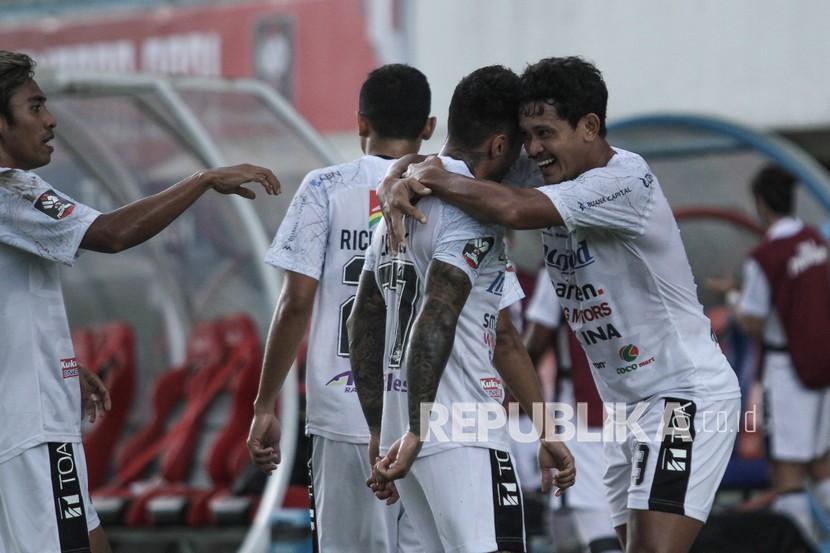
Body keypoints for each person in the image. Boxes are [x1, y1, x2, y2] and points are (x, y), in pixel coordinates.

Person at [378, 56, 742, 553]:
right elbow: (460, 162)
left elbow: (509, 207)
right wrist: (398, 175)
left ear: (590, 127)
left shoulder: (623, 180)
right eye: (527, 135)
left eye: (545, 133)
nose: (534, 149)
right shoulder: (550, 166)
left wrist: (425, 178)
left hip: (684, 396)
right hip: (625, 409)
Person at [0, 50, 279, 553]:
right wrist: (204, 180)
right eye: (35, 106)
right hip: (29, 432)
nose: (50, 118)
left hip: (32, 418)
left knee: (88, 539)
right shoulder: (9, 192)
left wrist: (57, 363)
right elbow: (111, 233)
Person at [348, 65, 575, 553]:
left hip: (406, 434)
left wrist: (378, 428)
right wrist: (415, 431)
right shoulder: (470, 212)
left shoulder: (398, 198)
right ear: (498, 146)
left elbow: (363, 317)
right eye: (521, 142)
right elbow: (437, 314)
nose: (528, 154)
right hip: (459, 431)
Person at [246, 64, 436, 552]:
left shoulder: (325, 187)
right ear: (429, 127)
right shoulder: (450, 192)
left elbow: (296, 303)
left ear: (360, 122)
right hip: (428, 419)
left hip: (346, 413)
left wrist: (265, 403)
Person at [712, 165, 830, 539]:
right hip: (823, 363)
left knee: (787, 469)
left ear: (761, 203)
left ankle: (800, 543)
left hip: (787, 368)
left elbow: (752, 319)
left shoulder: (765, 255)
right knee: (823, 463)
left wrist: (732, 296)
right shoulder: (815, 241)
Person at [524, 271, 622, 553]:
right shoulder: (636, 252)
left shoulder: (559, 266)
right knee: (633, 519)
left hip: (582, 410)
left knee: (596, 519)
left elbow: (534, 342)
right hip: (641, 405)